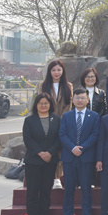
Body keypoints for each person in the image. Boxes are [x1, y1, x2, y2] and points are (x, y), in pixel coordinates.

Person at [57, 88, 100, 215]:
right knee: (69, 190)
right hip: (69, 158)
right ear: (73, 100)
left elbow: (95, 134)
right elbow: (62, 134)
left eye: (82, 98)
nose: (80, 100)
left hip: (86, 158)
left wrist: (82, 148)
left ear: (87, 100)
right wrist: (72, 148)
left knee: (86, 190)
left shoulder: (94, 116)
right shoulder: (66, 116)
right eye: (77, 98)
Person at [22, 93, 61, 215]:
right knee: (32, 192)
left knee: (46, 191)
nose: (43, 105)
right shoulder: (29, 120)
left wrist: (50, 153)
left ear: (50, 105)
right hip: (33, 161)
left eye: (46, 103)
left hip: (50, 161)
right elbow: (27, 139)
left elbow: (59, 139)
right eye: (41, 103)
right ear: (36, 105)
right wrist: (40, 152)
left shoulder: (56, 119)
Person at [37, 60, 73, 189]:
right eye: (53, 70)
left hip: (63, 122)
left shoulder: (68, 86)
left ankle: (58, 177)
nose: (56, 73)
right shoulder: (43, 85)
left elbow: (69, 104)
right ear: (49, 71)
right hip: (47, 120)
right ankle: (50, 177)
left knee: (60, 149)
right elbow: (41, 102)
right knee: (49, 148)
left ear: (63, 71)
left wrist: (61, 121)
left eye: (59, 70)